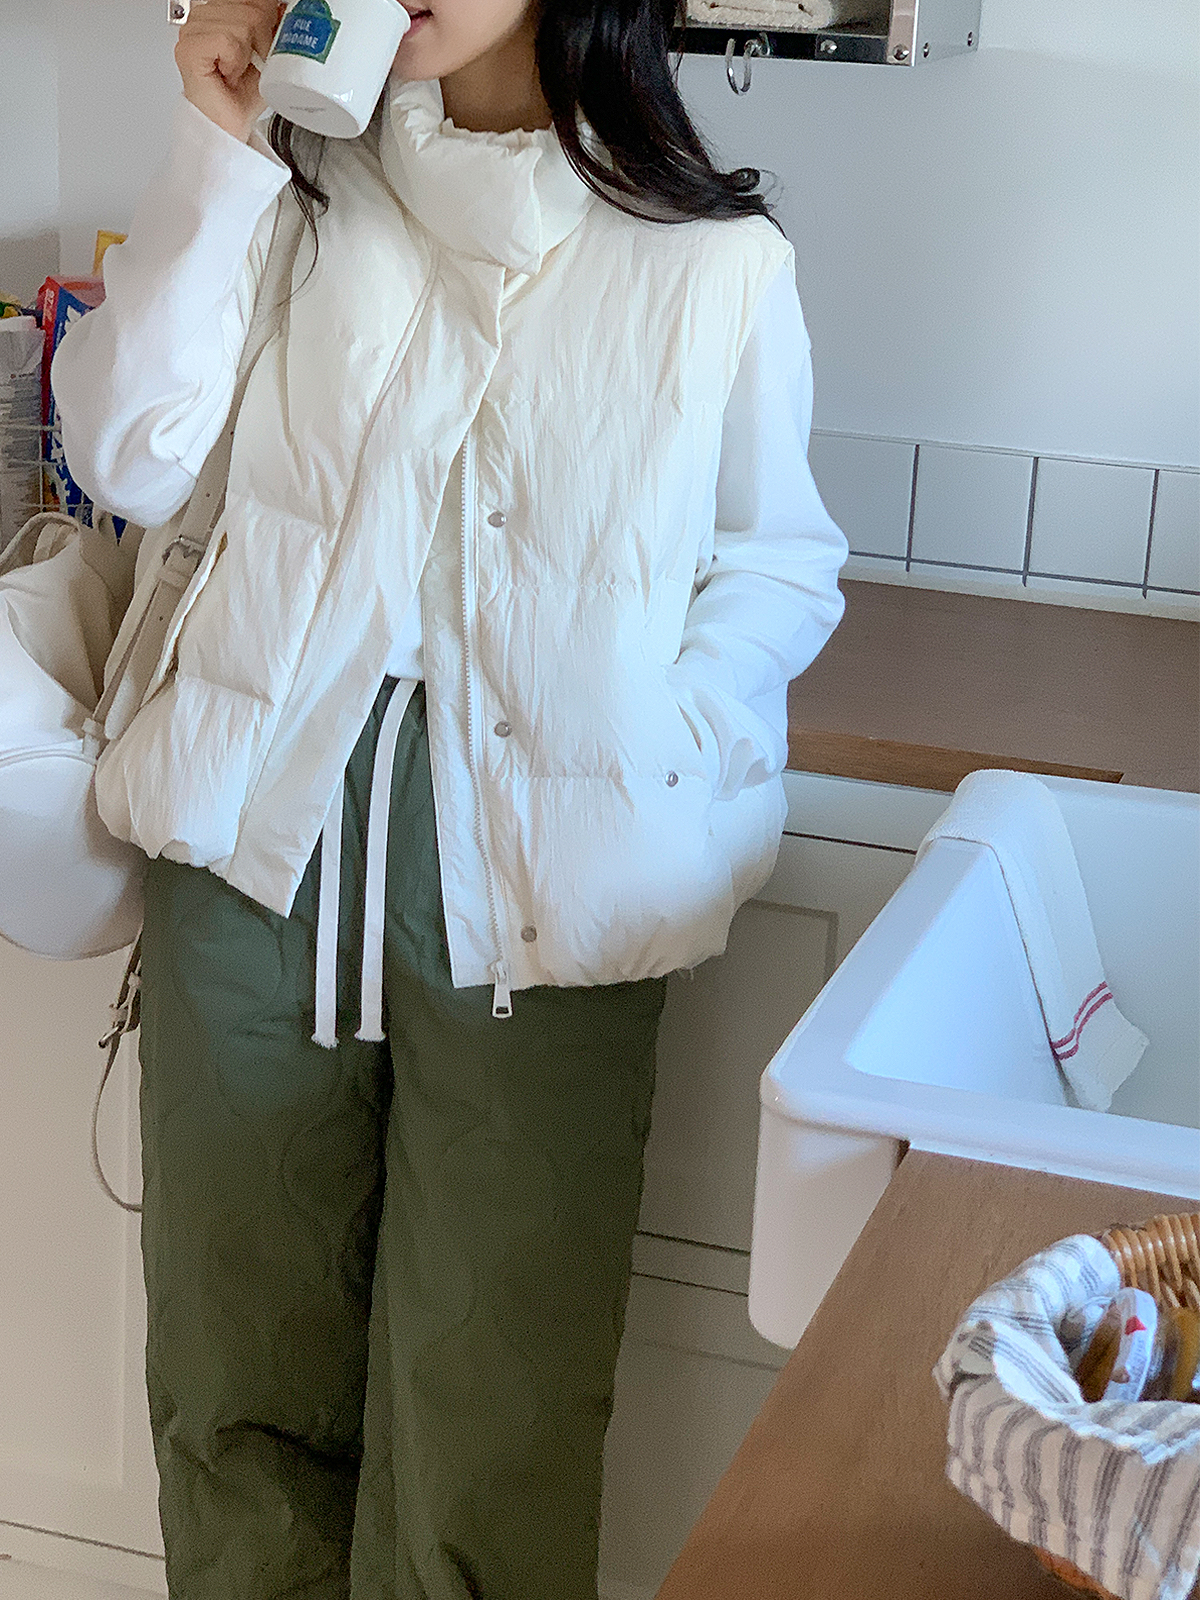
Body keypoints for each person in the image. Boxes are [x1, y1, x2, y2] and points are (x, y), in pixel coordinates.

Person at [51, 0, 849, 1594]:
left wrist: (652, 744)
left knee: (493, 1412)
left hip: (548, 877)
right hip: (256, 848)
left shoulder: (712, 263)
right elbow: (124, 458)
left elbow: (777, 564)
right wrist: (217, 134)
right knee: (233, 1383)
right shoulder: (291, 194)